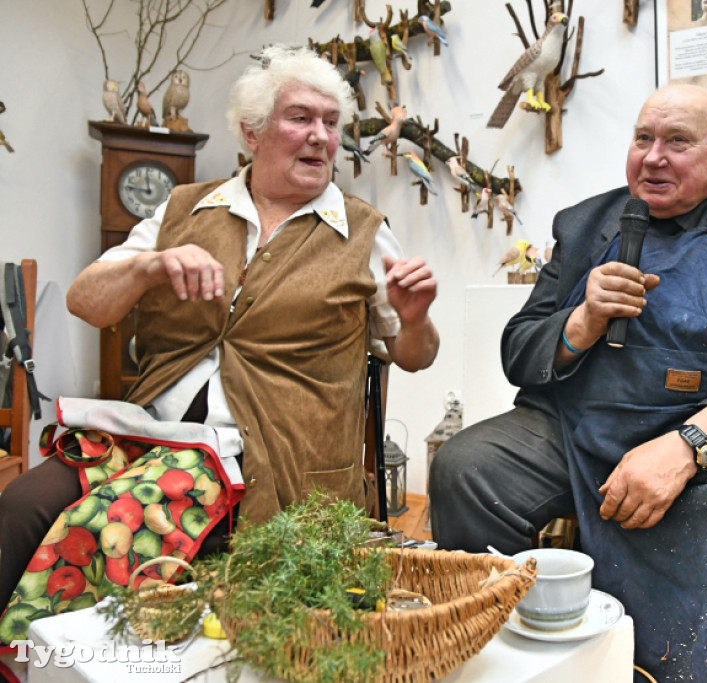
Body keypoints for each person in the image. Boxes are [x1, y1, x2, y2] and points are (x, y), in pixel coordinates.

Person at [0, 45, 439, 641]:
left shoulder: (361, 232)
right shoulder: (182, 210)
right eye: (301, 119)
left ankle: (68, 657)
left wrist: (414, 320)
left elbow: (415, 356)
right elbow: (86, 301)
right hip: (148, 436)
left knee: (107, 522)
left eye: (331, 124)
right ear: (253, 133)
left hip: (278, 463)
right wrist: (148, 267)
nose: (320, 137)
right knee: (23, 503)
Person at [429, 83, 707, 681]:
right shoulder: (584, 226)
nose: (653, 157)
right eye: (643, 138)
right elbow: (519, 352)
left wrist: (685, 447)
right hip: (583, 426)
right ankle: (509, 656)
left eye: (678, 141)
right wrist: (582, 321)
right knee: (466, 465)